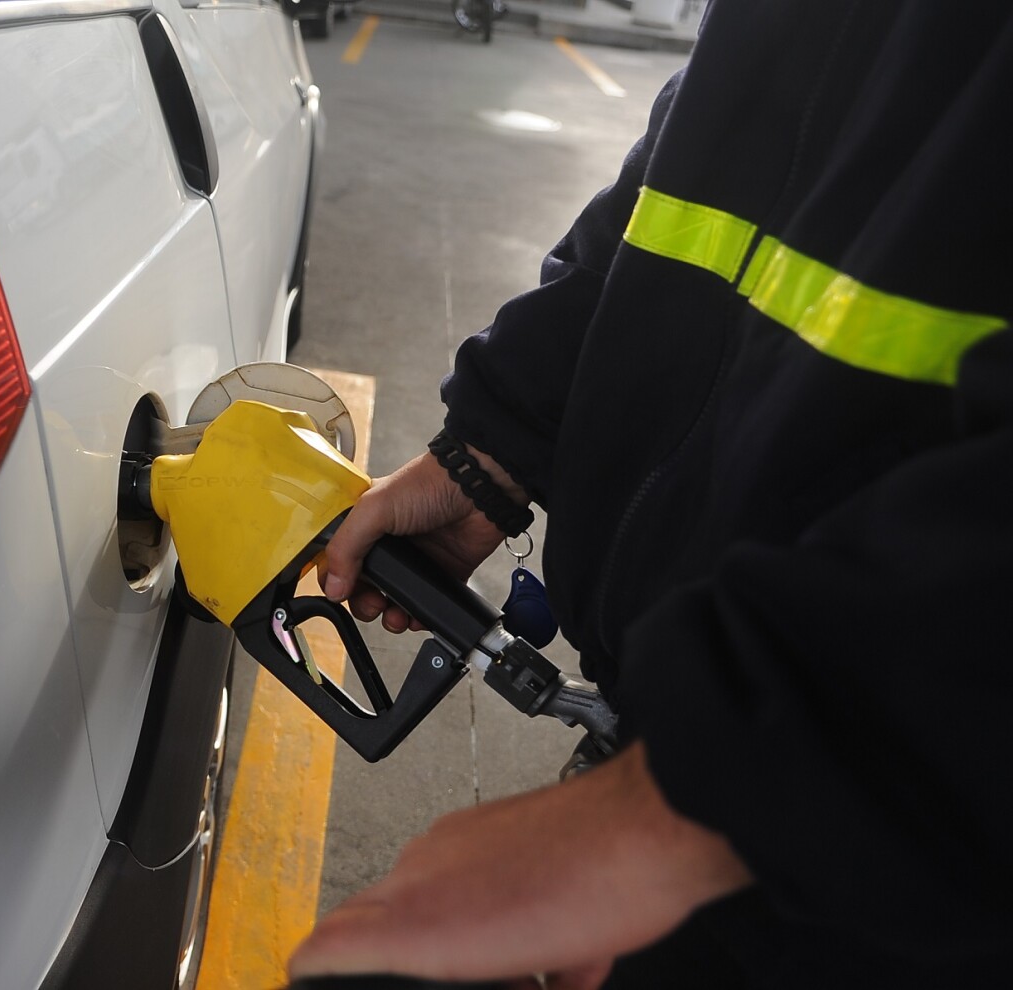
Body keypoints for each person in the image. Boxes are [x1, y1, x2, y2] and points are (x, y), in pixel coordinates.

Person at [286, 0, 1013, 986]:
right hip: (720, 768)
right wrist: (497, 449)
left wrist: (685, 808)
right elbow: (695, 175)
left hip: (889, 872)